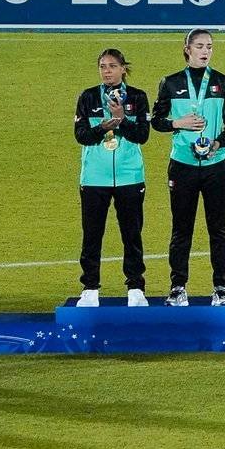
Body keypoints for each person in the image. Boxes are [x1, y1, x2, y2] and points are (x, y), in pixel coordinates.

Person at [150, 29, 225, 307]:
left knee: (218, 229)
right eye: (199, 46)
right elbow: (156, 121)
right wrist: (178, 123)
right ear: (187, 48)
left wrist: (217, 142)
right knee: (181, 229)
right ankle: (178, 287)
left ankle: (221, 289)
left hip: (216, 165)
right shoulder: (171, 82)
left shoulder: (224, 83)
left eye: (209, 46)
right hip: (182, 166)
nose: (205, 51)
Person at [74, 48, 151, 306]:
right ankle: (90, 288)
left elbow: (142, 135)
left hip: (130, 176)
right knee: (92, 234)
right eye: (103, 66)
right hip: (95, 177)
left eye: (112, 66)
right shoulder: (88, 97)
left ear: (122, 69)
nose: (107, 71)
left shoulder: (138, 97)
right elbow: (81, 135)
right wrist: (103, 127)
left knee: (132, 233)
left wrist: (122, 120)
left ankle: (135, 287)